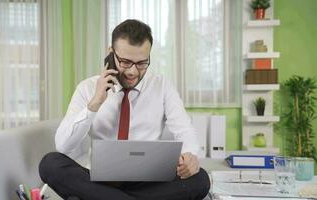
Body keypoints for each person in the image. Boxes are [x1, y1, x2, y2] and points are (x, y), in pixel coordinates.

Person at [39, 19, 210, 200]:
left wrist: (190, 156)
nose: (133, 72)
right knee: (50, 163)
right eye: (125, 62)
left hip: (150, 184)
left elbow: (184, 129)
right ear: (110, 54)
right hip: (100, 182)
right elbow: (64, 146)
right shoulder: (87, 88)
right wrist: (95, 103)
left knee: (201, 179)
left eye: (142, 63)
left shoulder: (162, 86)